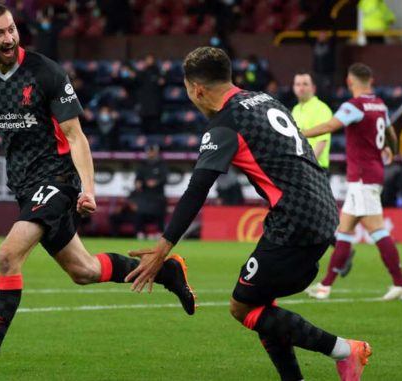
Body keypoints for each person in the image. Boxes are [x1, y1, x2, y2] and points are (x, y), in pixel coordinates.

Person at [0, 5, 195, 380]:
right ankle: (167, 273)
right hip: (25, 186)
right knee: (85, 271)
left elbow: (75, 135)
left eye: (12, 29)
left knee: (7, 255)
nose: (9, 38)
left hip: (57, 179)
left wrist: (88, 188)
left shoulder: (45, 72)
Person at [126, 47, 371, 381]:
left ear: (197, 90)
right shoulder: (264, 99)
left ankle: (345, 351)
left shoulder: (225, 124)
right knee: (260, 303)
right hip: (321, 209)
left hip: (294, 222)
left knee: (241, 306)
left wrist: (162, 248)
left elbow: (197, 189)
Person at [303, 63, 402, 301]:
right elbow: (391, 133)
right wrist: (390, 150)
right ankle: (325, 287)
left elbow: (331, 126)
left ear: (350, 82)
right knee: (345, 231)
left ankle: (401, 283)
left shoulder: (355, 106)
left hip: (363, 176)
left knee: (377, 230)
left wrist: (301, 133)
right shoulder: (380, 104)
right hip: (369, 174)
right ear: (370, 80)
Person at [291, 72, 333, 172]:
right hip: (299, 168)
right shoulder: (295, 110)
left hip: (315, 168)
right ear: (293, 87)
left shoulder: (322, 108)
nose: (301, 88)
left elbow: (322, 142)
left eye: (305, 84)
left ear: (313, 88)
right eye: (298, 84)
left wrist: (306, 167)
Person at [131, 144, 168, 239]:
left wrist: (156, 182)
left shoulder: (162, 164)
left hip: (158, 194)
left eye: (153, 151)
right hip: (145, 193)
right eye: (149, 151)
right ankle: (140, 232)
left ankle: (159, 232)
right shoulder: (143, 164)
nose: (151, 153)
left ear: (156, 152)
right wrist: (138, 183)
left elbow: (165, 178)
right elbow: (138, 178)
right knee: (140, 211)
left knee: (159, 212)